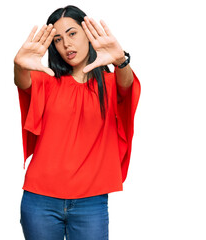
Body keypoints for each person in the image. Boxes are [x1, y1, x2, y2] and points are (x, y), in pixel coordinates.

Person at [13, 5, 141, 240]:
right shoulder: (47, 81)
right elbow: (22, 82)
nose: (66, 45)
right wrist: (19, 65)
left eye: (72, 34)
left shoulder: (110, 83)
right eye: (58, 39)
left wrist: (121, 60)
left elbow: (127, 86)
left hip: (90, 202)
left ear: (88, 34)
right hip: (40, 201)